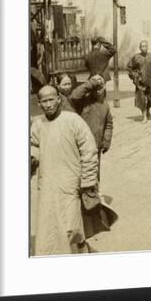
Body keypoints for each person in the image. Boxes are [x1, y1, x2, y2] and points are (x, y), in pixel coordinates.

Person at [30, 85, 99, 255]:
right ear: (39, 103)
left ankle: (80, 257)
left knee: (72, 227)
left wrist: (88, 181)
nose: (48, 104)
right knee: (49, 229)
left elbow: (89, 151)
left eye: (51, 99)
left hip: (70, 184)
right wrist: (32, 158)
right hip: (47, 186)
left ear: (59, 99)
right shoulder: (38, 125)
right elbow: (34, 147)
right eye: (44, 101)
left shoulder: (73, 121)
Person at [69, 74, 113, 182]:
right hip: (81, 145)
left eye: (101, 82)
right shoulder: (84, 101)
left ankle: (94, 193)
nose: (98, 86)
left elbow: (109, 123)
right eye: (95, 83)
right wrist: (91, 83)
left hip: (96, 145)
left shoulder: (105, 105)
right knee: (81, 173)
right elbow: (73, 96)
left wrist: (106, 140)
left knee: (94, 172)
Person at [127, 40, 151, 123]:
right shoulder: (136, 57)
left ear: (147, 47)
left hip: (150, 81)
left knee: (150, 99)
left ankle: (148, 111)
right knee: (141, 99)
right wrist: (135, 76)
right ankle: (144, 116)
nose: (144, 48)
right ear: (140, 48)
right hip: (140, 82)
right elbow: (129, 68)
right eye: (142, 46)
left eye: (145, 46)